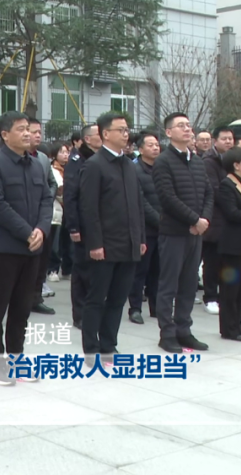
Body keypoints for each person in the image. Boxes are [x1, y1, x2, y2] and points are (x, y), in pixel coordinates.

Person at [0, 111, 53, 386]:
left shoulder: (36, 164)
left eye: (29, 129)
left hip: (32, 248)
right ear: (4, 134)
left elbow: (46, 200)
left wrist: (42, 229)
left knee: (22, 310)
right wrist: (27, 232)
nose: (27, 133)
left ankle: (16, 359)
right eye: (21, 129)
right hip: (4, 249)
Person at [79, 113, 146, 356]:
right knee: (96, 298)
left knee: (118, 299)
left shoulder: (129, 164)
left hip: (128, 244)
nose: (126, 134)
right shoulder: (94, 165)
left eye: (127, 130)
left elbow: (138, 205)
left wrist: (140, 238)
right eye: (121, 130)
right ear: (105, 134)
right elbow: (89, 208)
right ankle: (91, 347)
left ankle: (109, 344)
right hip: (105, 245)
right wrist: (95, 244)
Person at [152, 112, 211, 354]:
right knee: (169, 285)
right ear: (169, 132)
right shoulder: (163, 161)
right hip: (174, 232)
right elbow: (167, 197)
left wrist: (203, 220)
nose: (187, 129)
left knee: (189, 284)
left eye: (188, 125)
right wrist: (194, 219)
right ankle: (167, 334)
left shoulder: (197, 161)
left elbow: (208, 192)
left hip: (195, 234)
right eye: (180, 126)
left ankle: (184, 330)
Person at [215, 147, 241, 341]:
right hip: (232, 245)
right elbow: (231, 212)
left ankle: (238, 325)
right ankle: (228, 328)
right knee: (230, 289)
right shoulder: (227, 185)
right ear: (236, 165)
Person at [63, 123, 102, 328]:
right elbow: (71, 196)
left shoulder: (101, 158)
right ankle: (80, 314)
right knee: (82, 271)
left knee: (96, 271)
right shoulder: (77, 160)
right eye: (99, 134)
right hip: (82, 224)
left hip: (100, 224)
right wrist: (74, 226)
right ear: (87, 139)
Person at [128, 131, 162, 325]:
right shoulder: (134, 170)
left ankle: (156, 307)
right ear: (140, 149)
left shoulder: (162, 169)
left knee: (158, 271)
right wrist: (159, 220)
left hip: (163, 229)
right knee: (140, 271)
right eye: (150, 145)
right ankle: (135, 308)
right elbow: (140, 201)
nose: (155, 148)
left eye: (157, 145)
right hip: (144, 229)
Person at [200, 127, 234, 315]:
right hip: (215, 219)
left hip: (231, 220)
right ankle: (210, 297)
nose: (228, 142)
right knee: (212, 262)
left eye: (230, 138)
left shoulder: (234, 159)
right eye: (224, 138)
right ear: (215, 141)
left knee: (228, 262)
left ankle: (226, 296)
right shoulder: (209, 162)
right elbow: (214, 190)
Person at [26, 118, 58, 316]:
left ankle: (36, 297)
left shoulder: (43, 158)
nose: (38, 135)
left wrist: (46, 198)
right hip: (24, 218)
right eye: (33, 131)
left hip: (43, 217)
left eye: (40, 132)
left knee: (41, 261)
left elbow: (52, 183)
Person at [48, 143, 70, 283]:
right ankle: (52, 270)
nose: (65, 155)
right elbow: (59, 190)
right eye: (62, 152)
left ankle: (67, 269)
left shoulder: (70, 169)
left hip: (68, 210)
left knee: (67, 243)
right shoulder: (52, 170)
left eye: (67, 152)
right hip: (56, 209)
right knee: (54, 244)